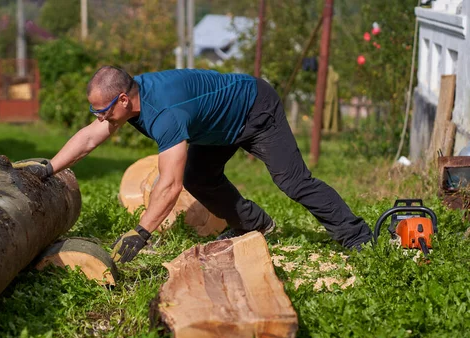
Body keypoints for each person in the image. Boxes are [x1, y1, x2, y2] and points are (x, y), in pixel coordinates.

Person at [29, 66, 372, 263]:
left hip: (255, 110)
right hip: (220, 125)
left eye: (102, 111)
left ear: (122, 99)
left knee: (293, 182)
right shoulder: (131, 101)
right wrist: (48, 168)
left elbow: (169, 184)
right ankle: (255, 225)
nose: (100, 118)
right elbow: (89, 137)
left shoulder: (164, 114)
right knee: (200, 175)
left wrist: (140, 232)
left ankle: (359, 237)